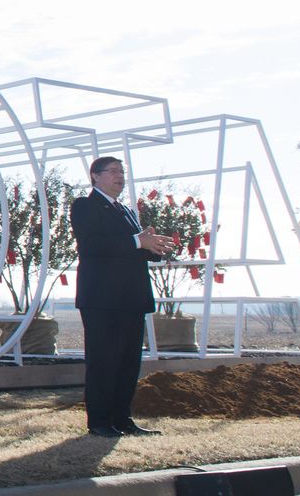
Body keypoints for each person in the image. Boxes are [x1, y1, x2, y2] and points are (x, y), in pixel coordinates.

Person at [71, 155, 177, 438]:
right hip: (102, 300)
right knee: (104, 360)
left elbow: (130, 248)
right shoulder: (85, 206)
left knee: (128, 363)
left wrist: (151, 246)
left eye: (122, 171)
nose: (120, 176)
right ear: (95, 176)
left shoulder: (126, 210)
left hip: (131, 298)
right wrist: (137, 240)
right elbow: (92, 245)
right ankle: (100, 422)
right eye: (113, 171)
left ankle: (123, 419)